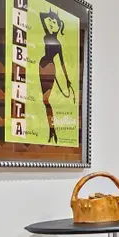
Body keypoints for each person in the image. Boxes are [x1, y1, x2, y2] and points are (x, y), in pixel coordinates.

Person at [39, 10, 75, 143]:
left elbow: (62, 63)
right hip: (41, 65)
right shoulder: (47, 36)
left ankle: (52, 129)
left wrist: (67, 80)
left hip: (49, 68)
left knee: (46, 100)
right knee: (43, 100)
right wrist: (51, 15)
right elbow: (42, 17)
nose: (52, 24)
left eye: (56, 23)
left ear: (59, 27)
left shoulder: (58, 44)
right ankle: (51, 130)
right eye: (52, 22)